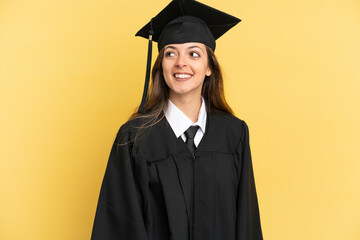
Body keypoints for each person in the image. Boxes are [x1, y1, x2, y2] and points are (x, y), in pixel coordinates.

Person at [91, 0, 263, 239]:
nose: (181, 62)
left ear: (209, 67)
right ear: (161, 65)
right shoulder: (135, 138)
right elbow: (120, 223)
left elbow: (247, 222)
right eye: (171, 53)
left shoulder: (234, 134)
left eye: (194, 53)